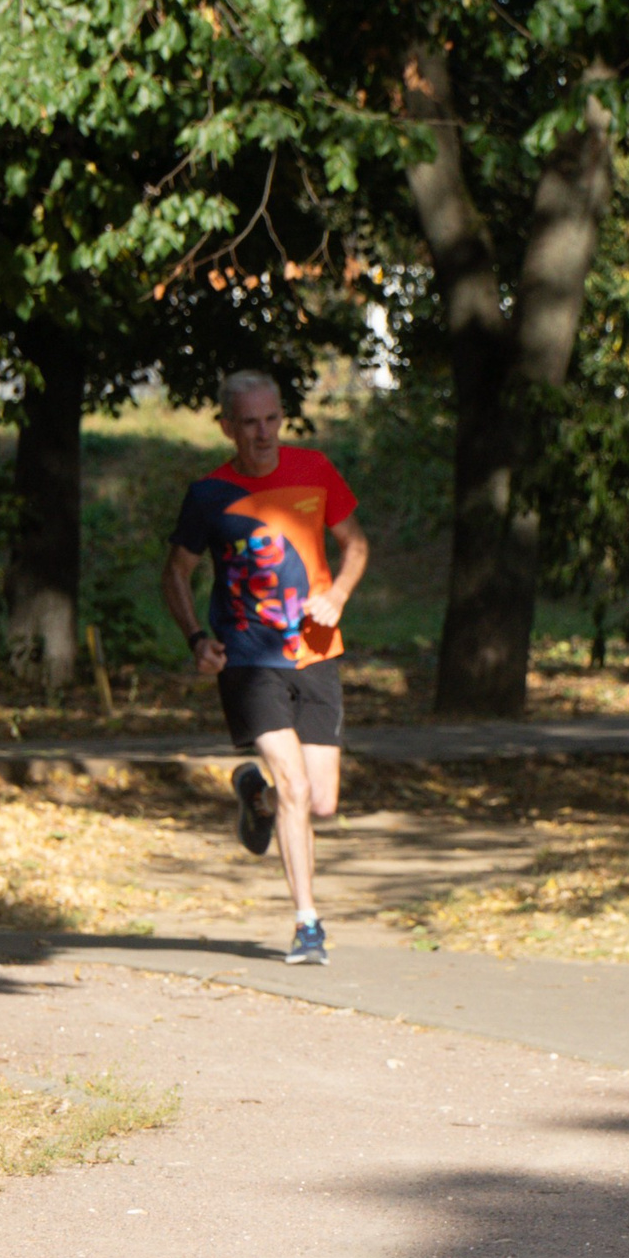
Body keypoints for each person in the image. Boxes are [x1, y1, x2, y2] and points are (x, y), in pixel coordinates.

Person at [161, 369, 371, 965]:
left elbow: (355, 546)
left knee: (320, 801)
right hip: (248, 659)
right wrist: (197, 639)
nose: (263, 433)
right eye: (249, 423)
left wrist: (339, 596)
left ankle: (255, 797)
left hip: (316, 649)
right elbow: (176, 571)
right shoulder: (209, 494)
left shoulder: (316, 470)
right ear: (227, 427)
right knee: (297, 786)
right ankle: (308, 924)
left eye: (271, 419)